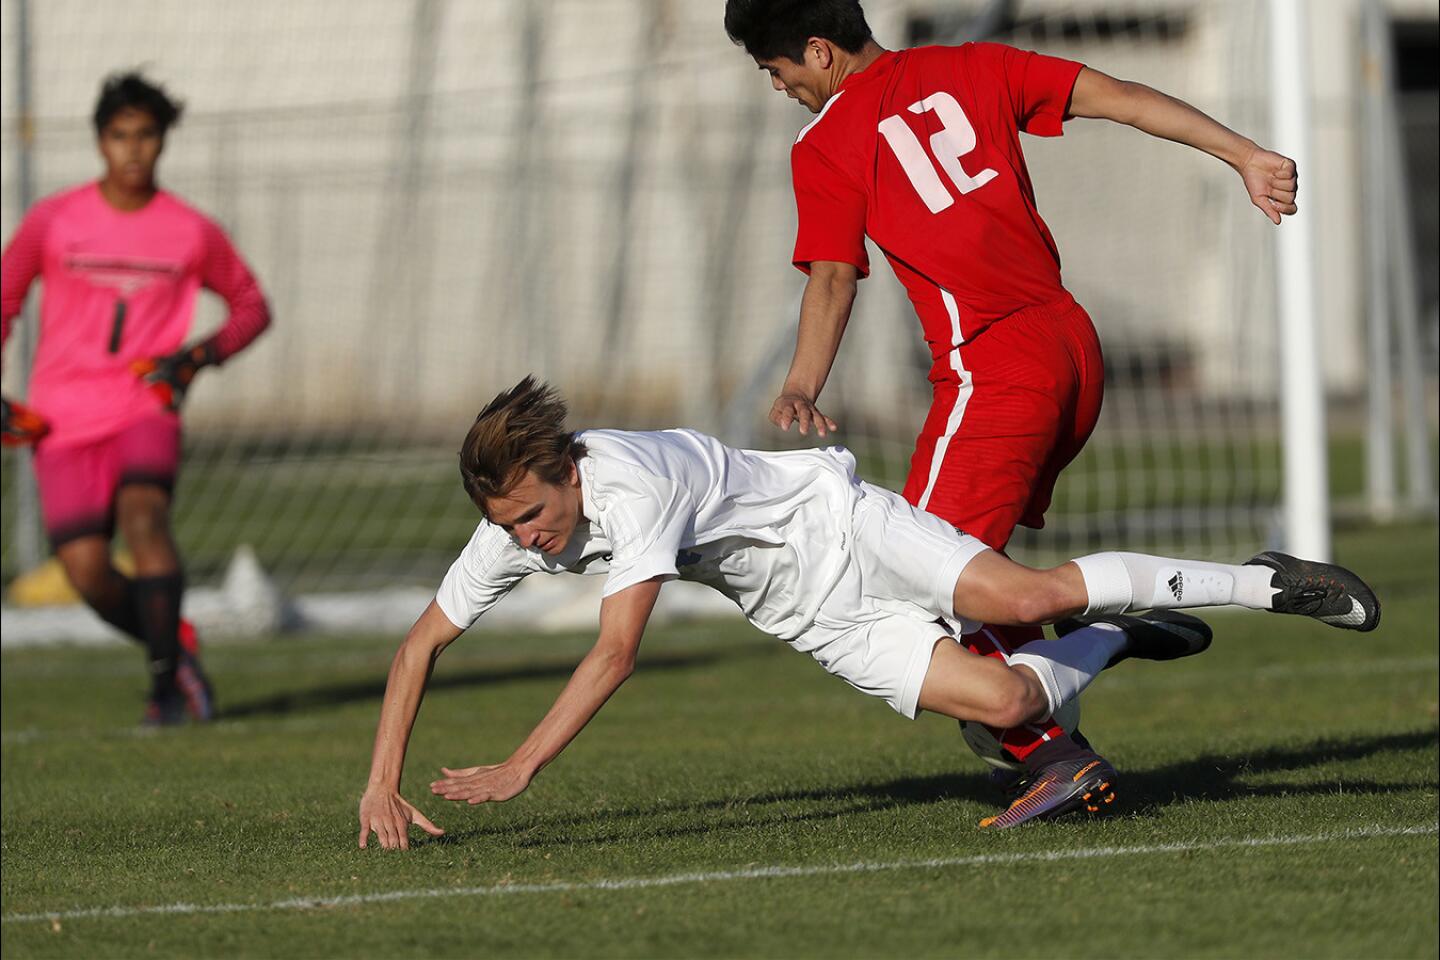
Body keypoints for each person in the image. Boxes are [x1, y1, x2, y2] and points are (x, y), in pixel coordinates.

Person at [357, 378, 1377, 849]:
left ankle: (1268, 582)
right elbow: (416, 651)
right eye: (510, 527)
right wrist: (379, 784)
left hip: (846, 525)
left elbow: (616, 652)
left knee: (1020, 595)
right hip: (821, 621)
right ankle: (1113, 636)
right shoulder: (512, 526)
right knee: (1013, 701)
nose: (528, 540)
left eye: (535, 516)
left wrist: (520, 765)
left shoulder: (632, 486)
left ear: (565, 471)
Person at [722, 0, 1301, 809]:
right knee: (977, 582)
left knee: (917, 584)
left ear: (818, 52)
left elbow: (831, 274)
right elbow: (1123, 94)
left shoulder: (825, 142)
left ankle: (1074, 714)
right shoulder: (974, 64)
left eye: (775, 70)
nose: (780, 88)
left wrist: (801, 386)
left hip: (994, 369)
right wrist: (1244, 154)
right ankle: (1058, 728)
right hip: (1072, 347)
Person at [0, 72, 271, 725]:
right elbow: (4, 301)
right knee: (87, 572)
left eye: (146, 135)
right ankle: (173, 649)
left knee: (146, 520)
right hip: (59, 418)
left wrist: (194, 360)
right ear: (100, 141)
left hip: (144, 406)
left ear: (163, 142)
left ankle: (166, 693)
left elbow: (251, 307)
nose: (132, 149)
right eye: (120, 135)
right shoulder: (54, 221)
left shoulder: (189, 230)